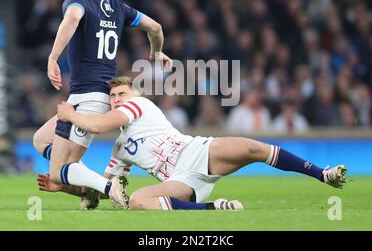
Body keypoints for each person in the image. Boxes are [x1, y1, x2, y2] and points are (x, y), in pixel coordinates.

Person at [38, 75, 347, 211]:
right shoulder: (119, 150)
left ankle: (324, 174)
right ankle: (216, 208)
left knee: (254, 148)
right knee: (136, 201)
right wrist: (65, 186)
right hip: (181, 181)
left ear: (133, 96)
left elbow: (98, 124)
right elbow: (108, 189)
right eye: (113, 97)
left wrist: (71, 115)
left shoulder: (139, 106)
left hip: (197, 152)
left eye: (122, 94)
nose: (117, 99)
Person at [32, 0, 172, 208]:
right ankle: (91, 187)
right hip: (93, 94)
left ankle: (107, 186)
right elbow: (156, 27)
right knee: (41, 140)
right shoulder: (118, 6)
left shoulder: (76, 1)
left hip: (88, 96)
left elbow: (73, 18)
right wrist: (158, 52)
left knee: (59, 171)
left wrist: (53, 58)